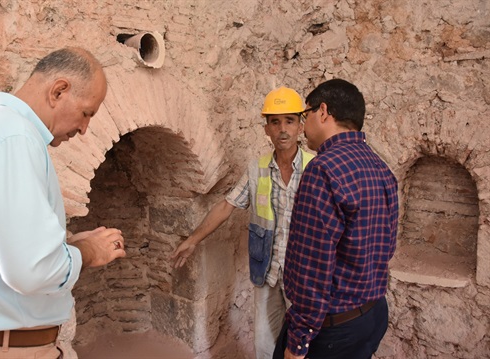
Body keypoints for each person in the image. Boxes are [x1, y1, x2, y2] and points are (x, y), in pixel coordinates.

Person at [0, 47, 126, 359]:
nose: (83, 129)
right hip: (9, 350)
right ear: (59, 91)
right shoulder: (10, 139)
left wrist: (65, 249)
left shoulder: (2, 135)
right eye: (86, 113)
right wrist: (89, 252)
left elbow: (12, 250)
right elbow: (30, 271)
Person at [171, 87, 315, 359]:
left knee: (304, 349)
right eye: (275, 122)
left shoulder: (316, 167)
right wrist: (192, 239)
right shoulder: (256, 168)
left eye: (289, 121)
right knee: (265, 345)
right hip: (268, 272)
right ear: (266, 129)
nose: (282, 129)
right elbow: (227, 205)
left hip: (305, 275)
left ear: (300, 126)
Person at [274, 79, 399, 359]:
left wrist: (297, 342)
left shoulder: (322, 170)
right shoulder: (380, 167)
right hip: (372, 315)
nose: (304, 127)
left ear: (323, 112)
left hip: (333, 329)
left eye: (305, 116)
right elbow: (387, 247)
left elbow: (311, 266)